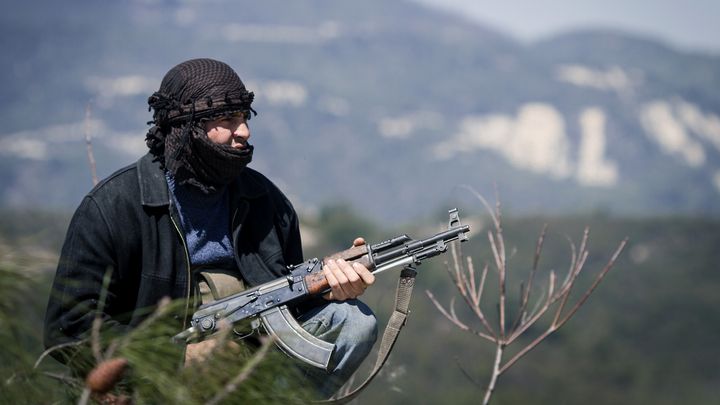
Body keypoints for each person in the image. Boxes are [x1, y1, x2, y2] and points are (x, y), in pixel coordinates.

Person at [43, 58, 378, 398]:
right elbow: (69, 326)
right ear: (187, 126)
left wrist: (328, 289)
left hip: (250, 368)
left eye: (245, 118)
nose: (244, 131)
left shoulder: (266, 202)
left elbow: (289, 304)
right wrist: (175, 358)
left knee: (353, 322)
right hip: (151, 383)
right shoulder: (112, 207)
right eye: (227, 119)